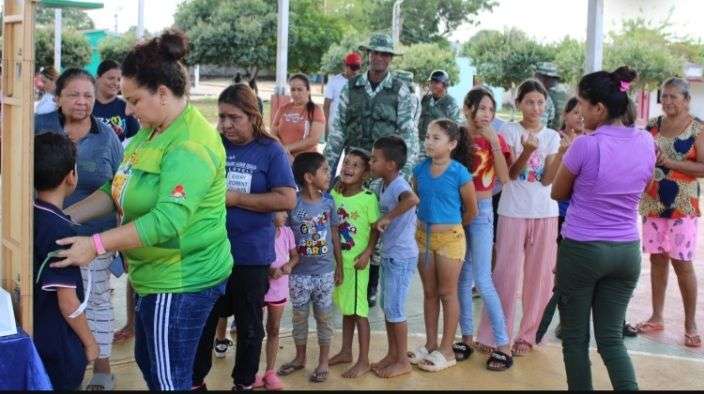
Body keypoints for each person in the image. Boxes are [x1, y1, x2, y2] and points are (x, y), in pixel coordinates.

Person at [51, 29, 233, 390]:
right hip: (152, 276)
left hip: (180, 280)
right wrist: (65, 217)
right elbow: (117, 187)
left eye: (134, 100)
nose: (128, 109)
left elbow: (167, 220)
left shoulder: (190, 144)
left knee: (168, 380)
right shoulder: (152, 131)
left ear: (162, 94)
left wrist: (97, 245)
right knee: (151, 365)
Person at [551, 66, 654, 390]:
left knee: (575, 340)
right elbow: (645, 185)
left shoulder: (586, 145)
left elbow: (558, 192)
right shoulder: (645, 142)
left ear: (599, 108)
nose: (578, 111)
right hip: (626, 251)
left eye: (582, 104)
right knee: (611, 341)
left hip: (582, 250)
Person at [191, 83, 297, 390]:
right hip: (209, 252)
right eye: (222, 117)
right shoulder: (212, 145)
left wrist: (237, 199)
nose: (225, 124)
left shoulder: (270, 150)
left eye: (233, 117)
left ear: (252, 116)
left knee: (250, 329)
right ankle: (196, 381)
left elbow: (287, 199)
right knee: (203, 324)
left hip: (250, 256)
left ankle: (244, 383)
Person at [34, 67, 124, 391]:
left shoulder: (107, 137)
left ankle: (101, 367)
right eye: (74, 94)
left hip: (95, 239)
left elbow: (120, 188)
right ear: (58, 99)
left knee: (95, 301)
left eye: (88, 95)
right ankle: (54, 364)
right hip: (47, 234)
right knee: (55, 301)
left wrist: (119, 245)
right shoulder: (39, 129)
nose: (82, 102)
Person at [475, 79, 563, 357]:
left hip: (545, 214)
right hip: (512, 211)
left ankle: (528, 336)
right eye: (529, 102)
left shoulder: (552, 136)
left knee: (539, 279)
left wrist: (561, 153)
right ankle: (493, 334)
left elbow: (548, 179)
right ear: (518, 104)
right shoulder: (510, 132)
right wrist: (526, 151)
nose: (535, 107)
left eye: (540, 102)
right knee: (505, 274)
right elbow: (511, 174)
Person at [637, 77, 703, 348]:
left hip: (683, 207)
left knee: (683, 264)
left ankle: (690, 324)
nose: (667, 101)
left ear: (686, 100)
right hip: (653, 202)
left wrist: (672, 163)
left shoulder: (697, 128)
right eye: (664, 96)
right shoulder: (652, 126)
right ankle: (656, 316)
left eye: (674, 97)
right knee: (658, 260)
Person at [408, 119, 477, 372]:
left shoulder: (459, 172)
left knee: (448, 293)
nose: (429, 141)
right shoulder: (419, 170)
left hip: (450, 240)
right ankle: (430, 343)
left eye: (436, 138)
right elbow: (418, 201)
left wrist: (451, 229)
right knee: (429, 293)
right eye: (427, 136)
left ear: (452, 144)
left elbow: (471, 211)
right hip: (422, 237)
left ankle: (447, 350)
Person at [452, 87, 513, 371]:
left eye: (491, 109)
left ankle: (504, 345)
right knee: (462, 279)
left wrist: (495, 144)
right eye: (482, 108)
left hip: (483, 211)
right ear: (467, 108)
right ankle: (466, 338)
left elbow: (504, 177)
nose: (487, 114)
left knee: (482, 279)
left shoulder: (495, 138)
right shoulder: (457, 136)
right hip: (457, 212)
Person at [33, 133, 98, 390]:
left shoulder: (29, 216)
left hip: (33, 332)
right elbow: (68, 301)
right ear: (71, 176)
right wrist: (90, 342)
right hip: (58, 343)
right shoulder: (61, 230)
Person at [277, 152, 343, 384]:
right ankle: (300, 358)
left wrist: (339, 266)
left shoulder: (328, 202)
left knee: (325, 318)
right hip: (298, 275)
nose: (329, 174)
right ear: (308, 177)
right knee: (299, 318)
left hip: (324, 273)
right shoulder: (293, 202)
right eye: (324, 170)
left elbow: (334, 232)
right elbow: (281, 232)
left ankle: (323, 361)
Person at [324, 32, 418, 181]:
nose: (379, 58)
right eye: (375, 53)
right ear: (368, 54)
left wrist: (402, 178)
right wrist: (326, 175)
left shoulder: (400, 90)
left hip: (383, 172)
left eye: (385, 54)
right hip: (353, 168)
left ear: (391, 58)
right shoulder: (350, 87)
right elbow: (338, 132)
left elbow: (408, 136)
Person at [368, 136, 419, 379]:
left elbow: (412, 199)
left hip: (401, 256)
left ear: (390, 165)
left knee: (395, 308)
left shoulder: (399, 185)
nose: (370, 162)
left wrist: (388, 218)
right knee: (387, 307)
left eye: (374, 159)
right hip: (390, 255)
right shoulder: (381, 185)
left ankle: (402, 361)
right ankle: (392, 354)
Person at [328, 149, 380, 378]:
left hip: (357, 265)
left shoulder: (368, 198)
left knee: (360, 313)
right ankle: (346, 351)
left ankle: (364, 360)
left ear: (366, 173)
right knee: (347, 310)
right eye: (346, 163)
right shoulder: (334, 193)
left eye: (356, 165)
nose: (348, 167)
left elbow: (375, 229)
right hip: (339, 263)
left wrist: (368, 252)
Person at [253, 211, 299, 390]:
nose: (286, 215)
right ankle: (252, 371)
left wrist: (289, 265)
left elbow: (295, 256)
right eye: (282, 211)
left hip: (279, 289)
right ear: (270, 212)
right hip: (258, 289)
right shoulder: (259, 231)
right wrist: (268, 271)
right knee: (254, 331)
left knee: (273, 329)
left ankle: (270, 372)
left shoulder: (287, 232)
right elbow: (252, 258)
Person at [272, 73, 325, 160]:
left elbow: (313, 139)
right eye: (293, 89)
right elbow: (273, 131)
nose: (295, 93)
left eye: (300, 89)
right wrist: (281, 148)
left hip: (306, 160)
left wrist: (288, 148)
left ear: (308, 90)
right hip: (283, 157)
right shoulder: (283, 109)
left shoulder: (316, 110)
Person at [93, 59, 141, 144]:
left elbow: (135, 138)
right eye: (111, 78)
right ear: (97, 78)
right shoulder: (86, 105)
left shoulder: (126, 107)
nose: (116, 83)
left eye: (119, 80)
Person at [418, 70, 461, 158]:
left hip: (439, 147)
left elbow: (455, 127)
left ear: (445, 85)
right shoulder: (426, 99)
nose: (432, 85)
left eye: (436, 82)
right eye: (431, 82)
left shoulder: (451, 103)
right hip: (421, 145)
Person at [324, 52, 362, 139]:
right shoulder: (334, 81)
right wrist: (326, 128)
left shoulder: (363, 82)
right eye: (353, 67)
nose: (355, 71)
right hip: (336, 128)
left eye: (357, 67)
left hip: (355, 130)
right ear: (345, 65)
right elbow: (326, 106)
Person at [534, 62, 568, 131]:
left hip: (549, 137)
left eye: (537, 76)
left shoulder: (544, 97)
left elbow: (539, 127)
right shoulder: (565, 93)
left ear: (544, 78)